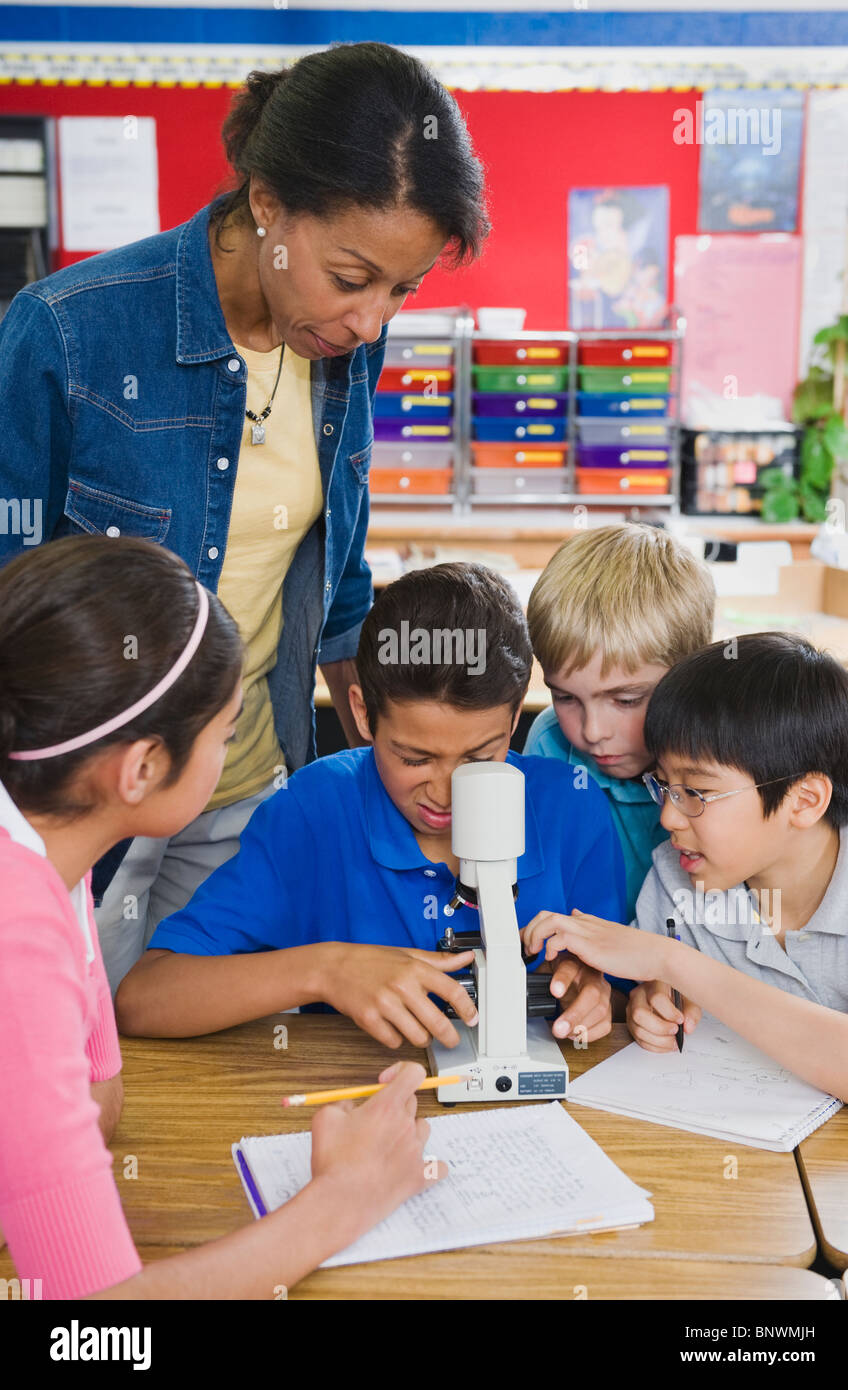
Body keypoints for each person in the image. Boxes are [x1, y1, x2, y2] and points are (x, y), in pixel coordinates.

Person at [0, 41, 489, 996]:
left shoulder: (343, 350)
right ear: (267, 202)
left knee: (215, 1092)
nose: (370, 322)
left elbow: (339, 573)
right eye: (352, 277)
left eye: (404, 289)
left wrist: (384, 784)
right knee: (70, 1080)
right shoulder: (68, 330)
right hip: (88, 819)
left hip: (250, 798)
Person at [0, 534, 444, 1299]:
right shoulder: (18, 935)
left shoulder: (45, 850)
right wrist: (345, 1198)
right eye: (227, 732)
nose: (234, 754)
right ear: (140, 769)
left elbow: (100, 1099)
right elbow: (92, 1334)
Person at [115, 563, 626, 1049]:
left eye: (478, 756)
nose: (446, 793)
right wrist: (327, 969)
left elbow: (626, 992)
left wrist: (599, 992)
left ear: (515, 716)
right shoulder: (315, 813)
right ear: (362, 713)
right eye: (414, 757)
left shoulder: (570, 807)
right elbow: (144, 999)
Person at [523, 634, 848, 1111]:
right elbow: (659, 994)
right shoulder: (676, 873)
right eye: (664, 785)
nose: (666, 818)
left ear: (804, 801)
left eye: (697, 793)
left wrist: (671, 962)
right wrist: (646, 1004)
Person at [524, 522, 715, 920]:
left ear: (692, 674)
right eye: (564, 697)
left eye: (626, 699)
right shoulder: (548, 745)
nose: (592, 732)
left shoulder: (735, 757)